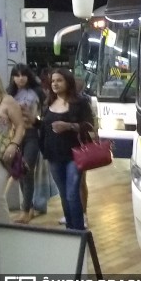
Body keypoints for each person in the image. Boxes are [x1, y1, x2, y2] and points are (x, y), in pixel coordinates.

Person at [39, 68, 93, 230]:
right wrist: (32, 122)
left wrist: (69, 126)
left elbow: (90, 125)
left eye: (59, 80)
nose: (55, 83)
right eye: (53, 81)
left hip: (75, 155)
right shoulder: (48, 102)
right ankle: (70, 228)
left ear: (67, 82)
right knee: (63, 194)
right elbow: (45, 127)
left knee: (71, 193)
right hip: (53, 155)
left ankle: (78, 230)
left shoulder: (79, 103)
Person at [7, 64, 44, 223]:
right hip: (15, 137)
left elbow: (41, 114)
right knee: (21, 173)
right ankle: (28, 208)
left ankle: (26, 210)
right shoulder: (10, 94)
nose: (20, 78)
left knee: (27, 169)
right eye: (17, 75)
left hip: (31, 134)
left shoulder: (36, 92)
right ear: (13, 78)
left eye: (23, 75)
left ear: (28, 76)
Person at [0, 73, 26, 224]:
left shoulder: (7, 101)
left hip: (3, 156)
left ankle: (4, 230)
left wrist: (14, 144)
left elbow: (20, 126)